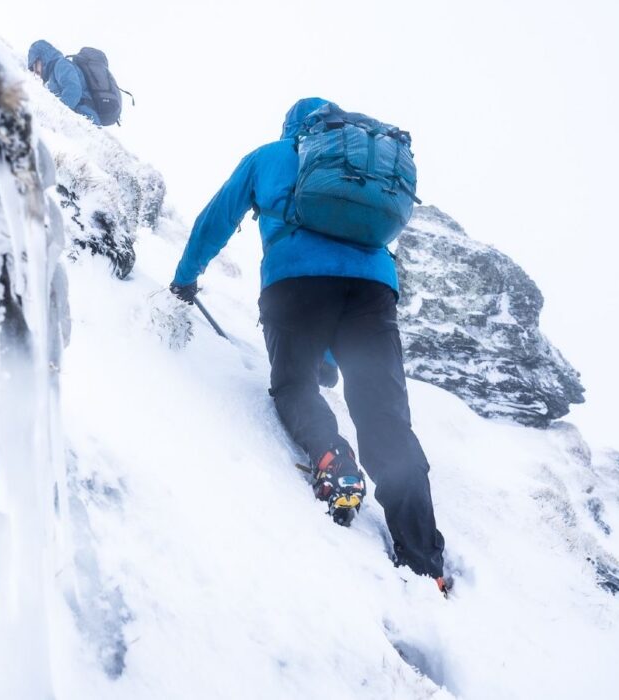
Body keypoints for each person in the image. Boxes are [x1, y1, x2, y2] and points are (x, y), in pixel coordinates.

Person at [169, 97, 447, 590]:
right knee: (385, 419)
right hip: (372, 291)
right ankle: (425, 562)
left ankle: (333, 461)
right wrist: (337, 353)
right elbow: (347, 267)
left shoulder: (271, 156)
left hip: (293, 285)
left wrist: (184, 279)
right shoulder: (363, 173)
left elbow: (217, 218)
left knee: (295, 387)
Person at [27, 40, 101, 126]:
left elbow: (73, 90)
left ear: (41, 58)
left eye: (35, 65)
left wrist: (57, 114)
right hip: (82, 118)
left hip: (87, 116)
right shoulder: (52, 76)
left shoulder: (61, 64)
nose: (35, 71)